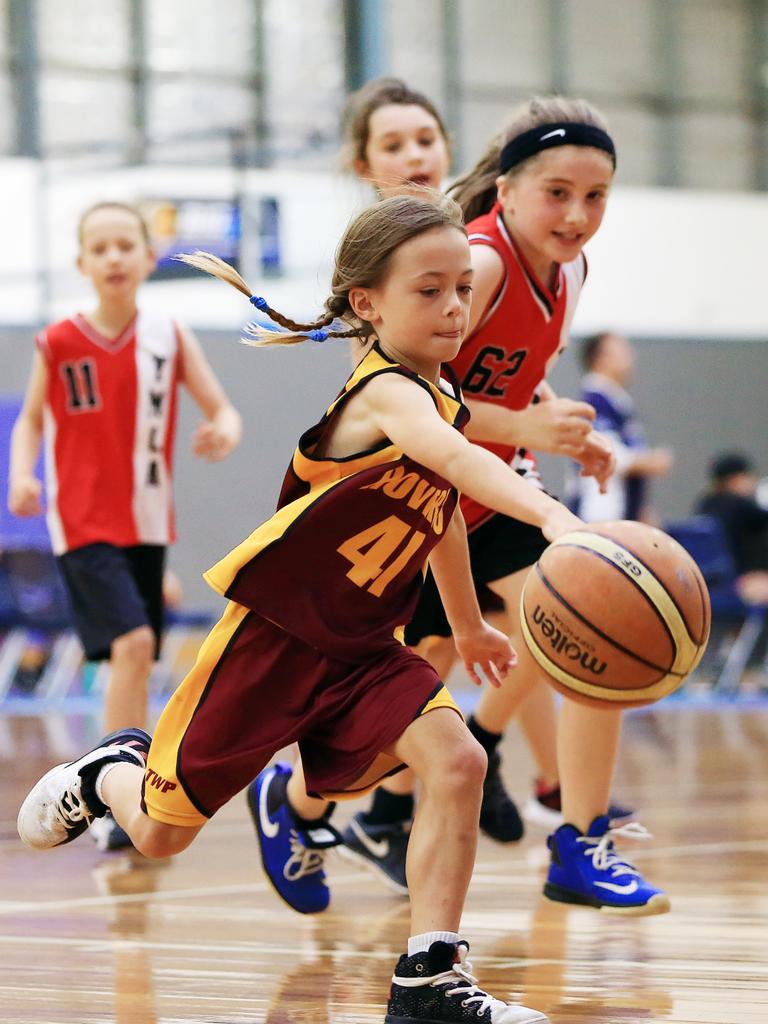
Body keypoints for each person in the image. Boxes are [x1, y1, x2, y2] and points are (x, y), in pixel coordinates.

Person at [17, 193, 584, 1024]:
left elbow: (444, 513)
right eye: (430, 290)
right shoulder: (388, 395)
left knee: (458, 761)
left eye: (464, 289)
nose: (455, 307)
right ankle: (112, 773)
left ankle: (428, 977)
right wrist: (552, 513)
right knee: (161, 834)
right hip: (275, 644)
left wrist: (465, 624)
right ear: (368, 303)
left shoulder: (443, 397)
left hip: (364, 648)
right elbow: (457, 463)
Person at [316, 80, 624, 890]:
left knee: (577, 629)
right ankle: (312, 802)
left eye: (595, 196)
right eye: (558, 193)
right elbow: (414, 404)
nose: (576, 214)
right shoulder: (476, 262)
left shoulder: (569, 268)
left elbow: (517, 380)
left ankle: (578, 839)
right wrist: (524, 429)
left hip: (488, 493)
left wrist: (565, 427)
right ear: (509, 187)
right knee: (409, 693)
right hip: (419, 499)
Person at [8, 201, 242, 851]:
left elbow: (222, 408)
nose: (113, 257)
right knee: (135, 645)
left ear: (146, 257)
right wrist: (22, 475)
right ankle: (113, 792)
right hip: (81, 521)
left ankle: (110, 784)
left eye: (125, 245)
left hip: (146, 520)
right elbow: (30, 419)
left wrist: (223, 427)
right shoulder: (58, 342)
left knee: (132, 661)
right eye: (100, 247)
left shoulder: (169, 336)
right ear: (83, 263)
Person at [568, 331, 673, 525]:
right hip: (601, 511)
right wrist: (651, 461)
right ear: (600, 358)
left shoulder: (616, 400)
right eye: (621, 351)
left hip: (621, 511)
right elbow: (608, 455)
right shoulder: (594, 401)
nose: (630, 356)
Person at [697, 452, 768, 605]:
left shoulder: (705, 505)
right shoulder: (742, 506)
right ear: (736, 479)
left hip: (705, 587)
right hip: (740, 584)